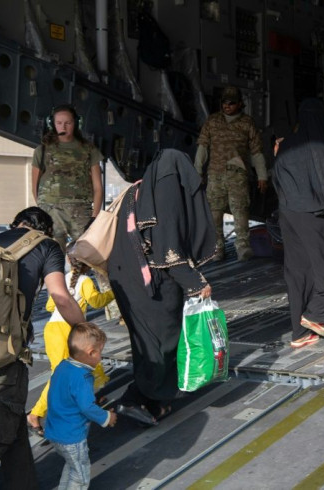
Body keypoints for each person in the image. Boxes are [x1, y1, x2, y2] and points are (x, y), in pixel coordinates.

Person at [0, 207, 85, 490]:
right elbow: (61, 297)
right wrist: (85, 329)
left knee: (10, 422)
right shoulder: (46, 247)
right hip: (1, 356)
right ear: (43, 230)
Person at [108, 149, 214, 426]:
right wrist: (196, 284)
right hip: (153, 287)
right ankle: (139, 400)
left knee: (147, 346)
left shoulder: (139, 191)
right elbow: (169, 252)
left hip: (129, 281)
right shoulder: (166, 193)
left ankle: (151, 402)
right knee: (163, 345)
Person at [272, 98, 324, 349]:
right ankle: (317, 314)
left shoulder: (285, 145)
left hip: (288, 212)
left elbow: (277, 180)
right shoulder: (318, 144)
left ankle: (298, 332)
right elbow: (323, 180)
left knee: (298, 270)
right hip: (312, 212)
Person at [27, 253, 115, 435]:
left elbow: (51, 306)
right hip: (69, 329)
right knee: (62, 374)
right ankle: (35, 414)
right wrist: (115, 291)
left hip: (53, 329)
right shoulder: (84, 281)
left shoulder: (62, 279)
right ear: (87, 265)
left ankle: (89, 400)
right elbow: (97, 302)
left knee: (82, 367)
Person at [195, 86, 268, 262]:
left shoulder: (247, 123)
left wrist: (262, 176)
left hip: (238, 175)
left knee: (240, 211)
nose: (227, 106)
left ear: (240, 104)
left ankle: (242, 247)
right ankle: (217, 248)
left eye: (231, 103)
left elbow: (256, 152)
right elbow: (202, 147)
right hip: (215, 174)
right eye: (224, 102)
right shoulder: (212, 121)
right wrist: (197, 170)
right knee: (214, 212)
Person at [44, 322, 117, 490]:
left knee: (72, 468)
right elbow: (86, 408)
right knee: (81, 476)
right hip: (72, 438)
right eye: (100, 352)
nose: (100, 357)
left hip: (55, 433)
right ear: (91, 353)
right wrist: (107, 417)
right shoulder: (83, 377)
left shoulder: (63, 366)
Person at [32, 105, 104, 251]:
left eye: (68, 123)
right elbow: (35, 185)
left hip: (81, 210)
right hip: (51, 210)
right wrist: (43, 209)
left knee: (93, 255)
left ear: (75, 123)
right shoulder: (43, 150)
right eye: (59, 123)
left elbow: (98, 187)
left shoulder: (89, 149)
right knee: (53, 257)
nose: (63, 126)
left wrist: (94, 216)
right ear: (52, 124)